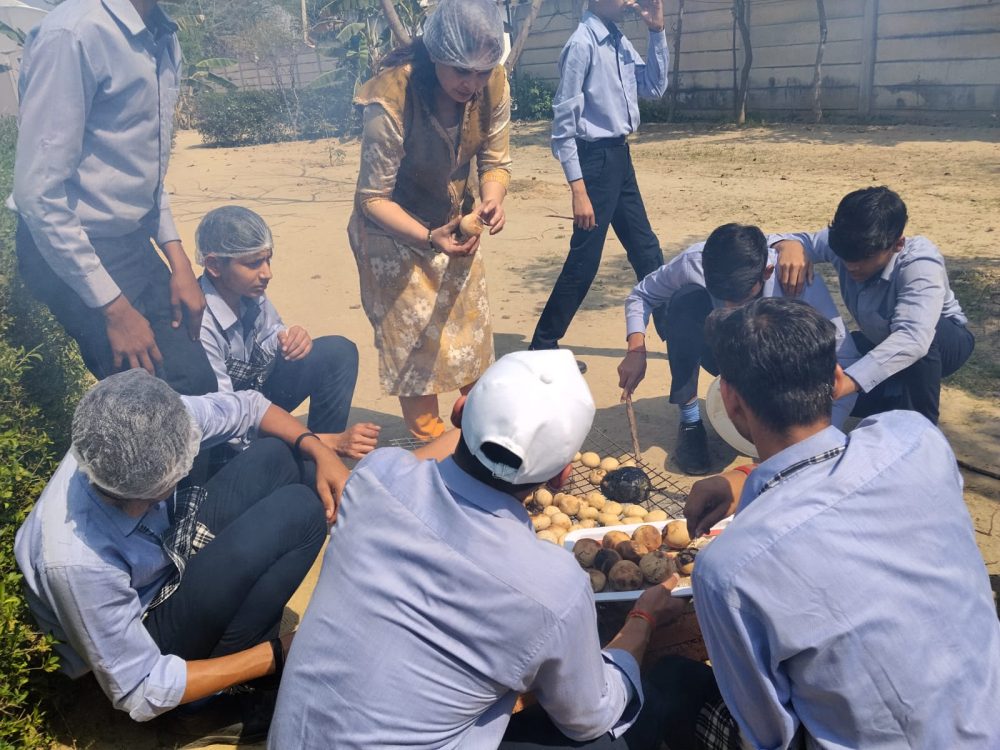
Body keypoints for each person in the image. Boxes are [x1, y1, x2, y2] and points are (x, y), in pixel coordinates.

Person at [268, 350, 693, 750]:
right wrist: (642, 619)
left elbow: (432, 461)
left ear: (458, 415)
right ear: (564, 476)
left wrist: (488, 420)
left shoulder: (376, 478)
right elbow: (589, 717)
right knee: (648, 705)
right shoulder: (552, 585)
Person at [675, 298, 1000, 749]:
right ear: (834, 379)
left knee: (671, 688)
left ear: (729, 401)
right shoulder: (915, 438)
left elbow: (770, 735)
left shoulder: (728, 570)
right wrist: (743, 477)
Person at [15, 370, 351, 745]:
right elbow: (139, 690)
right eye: (164, 487)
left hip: (159, 558)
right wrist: (274, 654)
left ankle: (233, 652)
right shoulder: (77, 561)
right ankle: (199, 710)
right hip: (142, 625)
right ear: (133, 494)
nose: (179, 479)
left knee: (280, 455)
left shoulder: (147, 422)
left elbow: (250, 408)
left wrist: (321, 450)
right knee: (301, 515)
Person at [10, 0, 216, 395]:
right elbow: (38, 192)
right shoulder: (73, 34)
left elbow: (142, 170)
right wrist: (114, 309)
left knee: (198, 382)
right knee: (156, 398)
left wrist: (179, 262)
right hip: (68, 242)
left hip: (129, 240)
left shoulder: (162, 34)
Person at [347, 0, 511, 441]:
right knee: (416, 349)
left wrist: (492, 200)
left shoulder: (493, 82)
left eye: (481, 71)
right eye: (461, 71)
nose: (472, 83)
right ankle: (435, 446)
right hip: (392, 235)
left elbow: (496, 160)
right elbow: (372, 198)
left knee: (470, 342)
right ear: (436, 54)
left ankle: (483, 439)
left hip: (455, 224)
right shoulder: (390, 98)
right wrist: (427, 237)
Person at [616, 223, 859, 475]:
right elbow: (642, 295)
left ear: (766, 272)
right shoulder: (693, 262)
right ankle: (690, 421)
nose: (731, 311)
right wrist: (636, 349)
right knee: (685, 301)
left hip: (776, 365)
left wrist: (814, 441)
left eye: (741, 298)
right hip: (721, 352)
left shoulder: (796, 278)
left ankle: (775, 417)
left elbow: (846, 359)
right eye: (722, 298)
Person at [529, 0, 669, 372]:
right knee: (585, 260)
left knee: (646, 250)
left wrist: (657, 32)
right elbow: (563, 125)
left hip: (620, 159)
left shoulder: (619, 41)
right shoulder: (582, 44)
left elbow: (654, 87)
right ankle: (542, 348)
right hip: (594, 162)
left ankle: (678, 333)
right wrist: (578, 189)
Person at [774, 186, 974, 425]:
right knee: (823, 361)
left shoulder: (920, 263)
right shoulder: (850, 243)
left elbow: (913, 338)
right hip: (879, 338)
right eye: (846, 258)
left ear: (897, 244)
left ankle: (919, 431)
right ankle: (893, 395)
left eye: (864, 259)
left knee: (920, 342)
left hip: (945, 343)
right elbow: (781, 241)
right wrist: (790, 246)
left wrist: (851, 380)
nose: (851, 267)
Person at [196, 205, 380, 461]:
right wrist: (319, 441)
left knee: (338, 352)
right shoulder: (201, 324)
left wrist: (291, 339)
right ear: (214, 265)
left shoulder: (248, 293)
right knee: (273, 455)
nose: (267, 273)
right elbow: (224, 418)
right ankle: (318, 450)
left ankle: (318, 462)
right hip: (225, 434)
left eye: (268, 259)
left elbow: (271, 332)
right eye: (253, 263)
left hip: (256, 400)